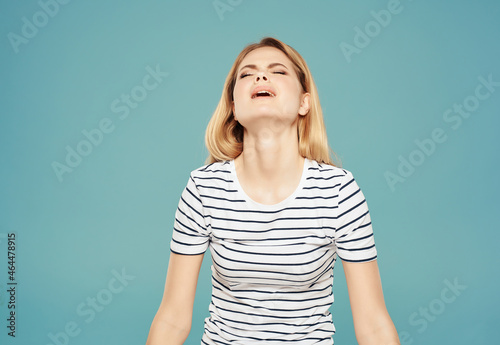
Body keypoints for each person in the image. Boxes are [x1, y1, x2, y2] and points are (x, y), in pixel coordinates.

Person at [146, 37, 400, 345]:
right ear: (233, 106)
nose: (261, 76)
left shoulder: (338, 191)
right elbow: (173, 318)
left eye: (278, 71)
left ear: (304, 102)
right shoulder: (204, 188)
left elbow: (373, 324)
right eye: (247, 73)